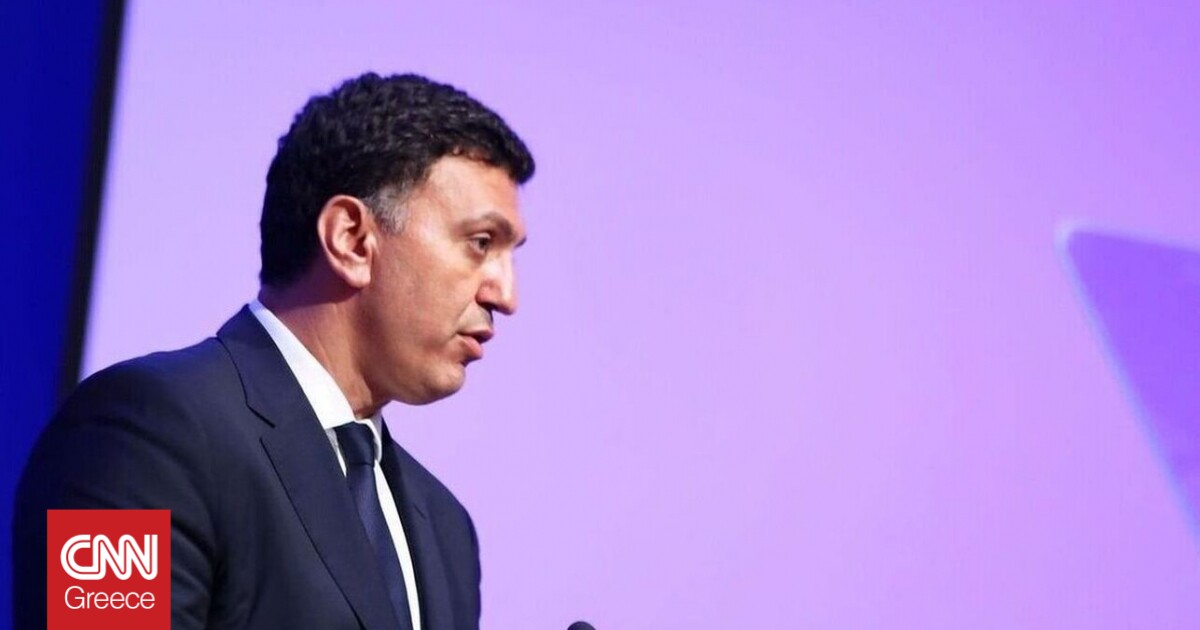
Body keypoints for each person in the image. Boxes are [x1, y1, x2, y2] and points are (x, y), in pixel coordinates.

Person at [14, 71, 534, 629]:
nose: (506, 295)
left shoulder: (446, 530)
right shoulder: (142, 436)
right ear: (352, 240)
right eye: (480, 243)